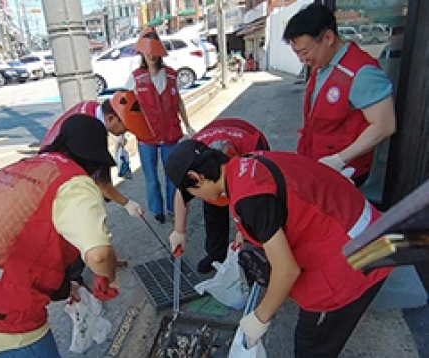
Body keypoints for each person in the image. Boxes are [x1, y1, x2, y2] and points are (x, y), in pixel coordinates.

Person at [165, 139, 393, 357]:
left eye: (193, 192)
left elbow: (286, 270)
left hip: (357, 258)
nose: (197, 197)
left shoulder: (249, 199)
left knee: (312, 345)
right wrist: (247, 233)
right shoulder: (248, 162)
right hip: (361, 231)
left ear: (197, 177)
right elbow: (276, 207)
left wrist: (260, 317)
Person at [0, 115, 121, 357]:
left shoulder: (23, 168)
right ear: (93, 160)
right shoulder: (73, 181)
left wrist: (65, 288)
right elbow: (100, 255)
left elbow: (15, 244)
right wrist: (109, 277)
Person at [283, 3, 396, 187]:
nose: (302, 60)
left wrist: (340, 159)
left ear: (328, 37)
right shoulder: (322, 66)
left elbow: (385, 125)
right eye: (297, 54)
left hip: (345, 172)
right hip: (319, 164)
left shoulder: (361, 72)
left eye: (304, 52)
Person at [169, 118, 270, 273]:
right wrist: (179, 231)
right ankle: (216, 255)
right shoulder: (191, 156)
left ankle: (256, 256)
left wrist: (244, 232)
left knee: (256, 218)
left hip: (245, 157)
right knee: (213, 214)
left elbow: (261, 198)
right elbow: (182, 192)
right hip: (210, 181)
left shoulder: (254, 147)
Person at [40, 91, 152, 218]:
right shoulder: (91, 132)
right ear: (111, 118)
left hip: (47, 161)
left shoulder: (91, 108)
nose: (125, 133)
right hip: (55, 179)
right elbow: (102, 184)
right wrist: (127, 203)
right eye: (125, 129)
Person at [126, 26, 195, 224]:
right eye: (146, 52)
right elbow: (127, 105)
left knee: (172, 173)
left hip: (171, 133)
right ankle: (156, 209)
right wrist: (122, 135)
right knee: (151, 177)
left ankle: (173, 207)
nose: (150, 56)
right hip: (146, 136)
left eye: (154, 52)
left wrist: (188, 125)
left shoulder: (172, 75)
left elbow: (179, 101)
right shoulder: (135, 77)